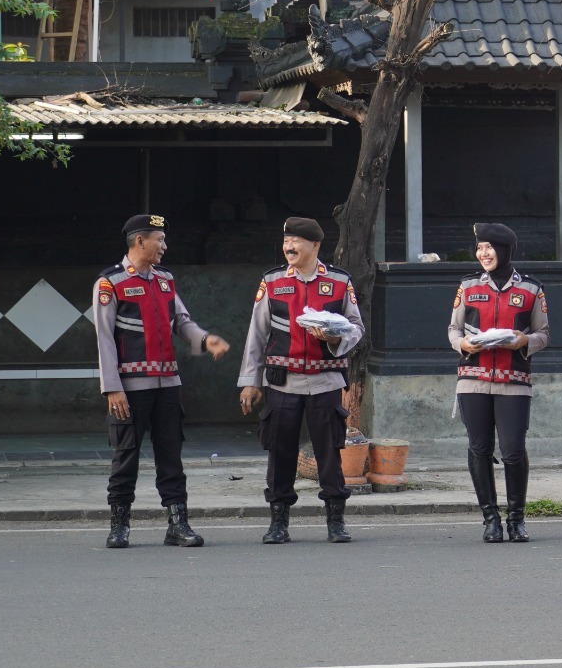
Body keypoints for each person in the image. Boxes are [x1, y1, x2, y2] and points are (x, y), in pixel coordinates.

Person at [95, 214, 231, 549]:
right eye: (159, 239)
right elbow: (104, 338)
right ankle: (120, 525)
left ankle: (178, 524)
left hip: (168, 384)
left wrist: (204, 339)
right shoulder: (110, 283)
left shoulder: (165, 280)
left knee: (171, 455)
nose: (164, 246)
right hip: (130, 387)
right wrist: (112, 386)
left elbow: (181, 321)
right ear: (139, 241)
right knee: (126, 455)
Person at [237, 217, 365, 544]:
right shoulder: (273, 282)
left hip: (325, 381)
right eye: (286, 242)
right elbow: (257, 334)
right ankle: (278, 521)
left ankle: (335, 520)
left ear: (315, 245)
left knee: (329, 452)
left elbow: (356, 328)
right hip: (282, 382)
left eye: (296, 242)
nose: (289, 247)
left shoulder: (338, 282)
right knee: (280, 453)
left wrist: (334, 339)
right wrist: (250, 381)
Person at [447, 222, 550, 543]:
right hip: (472, 380)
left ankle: (516, 519)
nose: (483, 253)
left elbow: (544, 334)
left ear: (505, 250)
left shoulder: (531, 289)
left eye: (489, 247)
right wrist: (463, 345)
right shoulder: (467, 286)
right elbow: (454, 329)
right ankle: (490, 518)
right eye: (479, 248)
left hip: (514, 382)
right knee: (479, 449)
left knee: (513, 451)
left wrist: (523, 340)